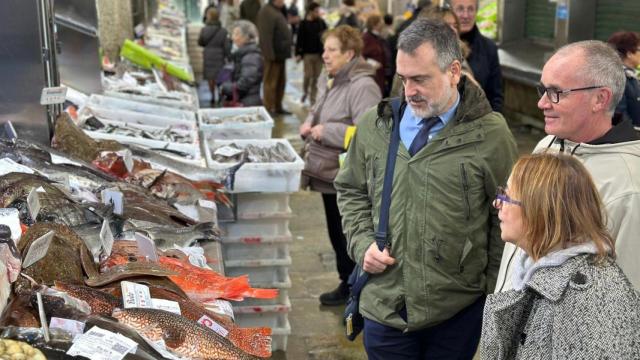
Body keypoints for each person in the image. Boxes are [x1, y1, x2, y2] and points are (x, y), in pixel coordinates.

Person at [335, 19, 517, 358]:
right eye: (404, 78)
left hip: (456, 312)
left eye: (420, 78)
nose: (409, 90)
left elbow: (504, 221)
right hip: (384, 306)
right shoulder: (377, 125)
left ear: (453, 71)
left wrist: (493, 299)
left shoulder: (490, 135)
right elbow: (350, 190)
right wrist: (362, 245)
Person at [495, 40, 640, 292]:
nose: (541, 103)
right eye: (542, 90)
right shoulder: (547, 145)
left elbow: (626, 299)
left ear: (600, 99)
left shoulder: (630, 186)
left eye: (556, 92)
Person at [481, 153, 640, 359]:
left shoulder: (592, 298)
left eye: (506, 196)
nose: (497, 203)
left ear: (540, 209)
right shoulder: (538, 269)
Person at [299, 25, 381, 306]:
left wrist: (328, 131)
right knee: (336, 233)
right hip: (326, 173)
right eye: (324, 49)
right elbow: (319, 107)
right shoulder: (331, 78)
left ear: (349, 53)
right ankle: (346, 281)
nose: (325, 55)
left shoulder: (363, 86)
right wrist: (310, 122)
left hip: (345, 176)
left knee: (348, 234)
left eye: (332, 50)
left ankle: (354, 287)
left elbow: (370, 133)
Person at [451, 0, 503, 112]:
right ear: (451, 11)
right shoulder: (439, 45)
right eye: (460, 9)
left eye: (470, 9)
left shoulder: (488, 48)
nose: (466, 15)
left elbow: (496, 96)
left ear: (476, 12)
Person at [257, 0, 293, 115]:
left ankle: (278, 106)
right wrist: (269, 54)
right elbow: (265, 36)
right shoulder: (266, 11)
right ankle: (269, 107)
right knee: (270, 83)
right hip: (273, 55)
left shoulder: (276, 10)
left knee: (280, 82)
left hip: (280, 54)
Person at [220, 20, 263, 106]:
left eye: (236, 34)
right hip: (246, 100)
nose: (232, 38)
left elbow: (245, 82)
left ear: (245, 37)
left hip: (248, 102)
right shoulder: (243, 54)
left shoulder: (251, 56)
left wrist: (225, 88)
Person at [198, 7, 231, 106]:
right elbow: (226, 46)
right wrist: (227, 56)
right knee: (219, 76)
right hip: (219, 56)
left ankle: (212, 96)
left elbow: (200, 42)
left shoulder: (204, 29)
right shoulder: (223, 31)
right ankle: (219, 95)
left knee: (210, 78)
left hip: (208, 55)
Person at [296, 2, 327, 106]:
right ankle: (305, 92)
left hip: (319, 55)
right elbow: (299, 39)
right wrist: (298, 53)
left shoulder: (321, 23)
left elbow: (326, 36)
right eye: (316, 11)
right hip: (307, 55)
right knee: (308, 75)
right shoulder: (303, 23)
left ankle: (312, 98)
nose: (318, 13)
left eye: (319, 11)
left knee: (316, 77)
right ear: (310, 12)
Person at [607, 31, 640, 126]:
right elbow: (619, 115)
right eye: (639, 50)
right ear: (629, 53)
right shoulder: (617, 77)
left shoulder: (631, 75)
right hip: (629, 138)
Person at [362, 14, 390, 95]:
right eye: (380, 22)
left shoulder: (377, 37)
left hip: (380, 76)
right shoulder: (366, 38)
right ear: (375, 25)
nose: (383, 23)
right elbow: (361, 55)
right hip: (373, 76)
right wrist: (373, 63)